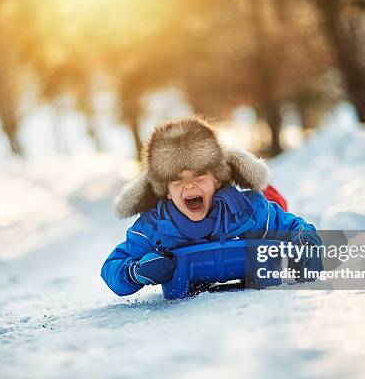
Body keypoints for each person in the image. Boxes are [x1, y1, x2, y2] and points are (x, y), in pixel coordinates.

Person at [101, 116, 322, 296]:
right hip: (184, 285)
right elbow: (112, 266)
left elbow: (295, 228)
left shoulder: (248, 211)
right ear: (166, 191)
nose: (189, 186)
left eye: (199, 175)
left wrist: (304, 247)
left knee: (274, 202)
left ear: (216, 179)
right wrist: (136, 272)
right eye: (177, 179)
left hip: (254, 248)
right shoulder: (155, 228)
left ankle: (273, 194)